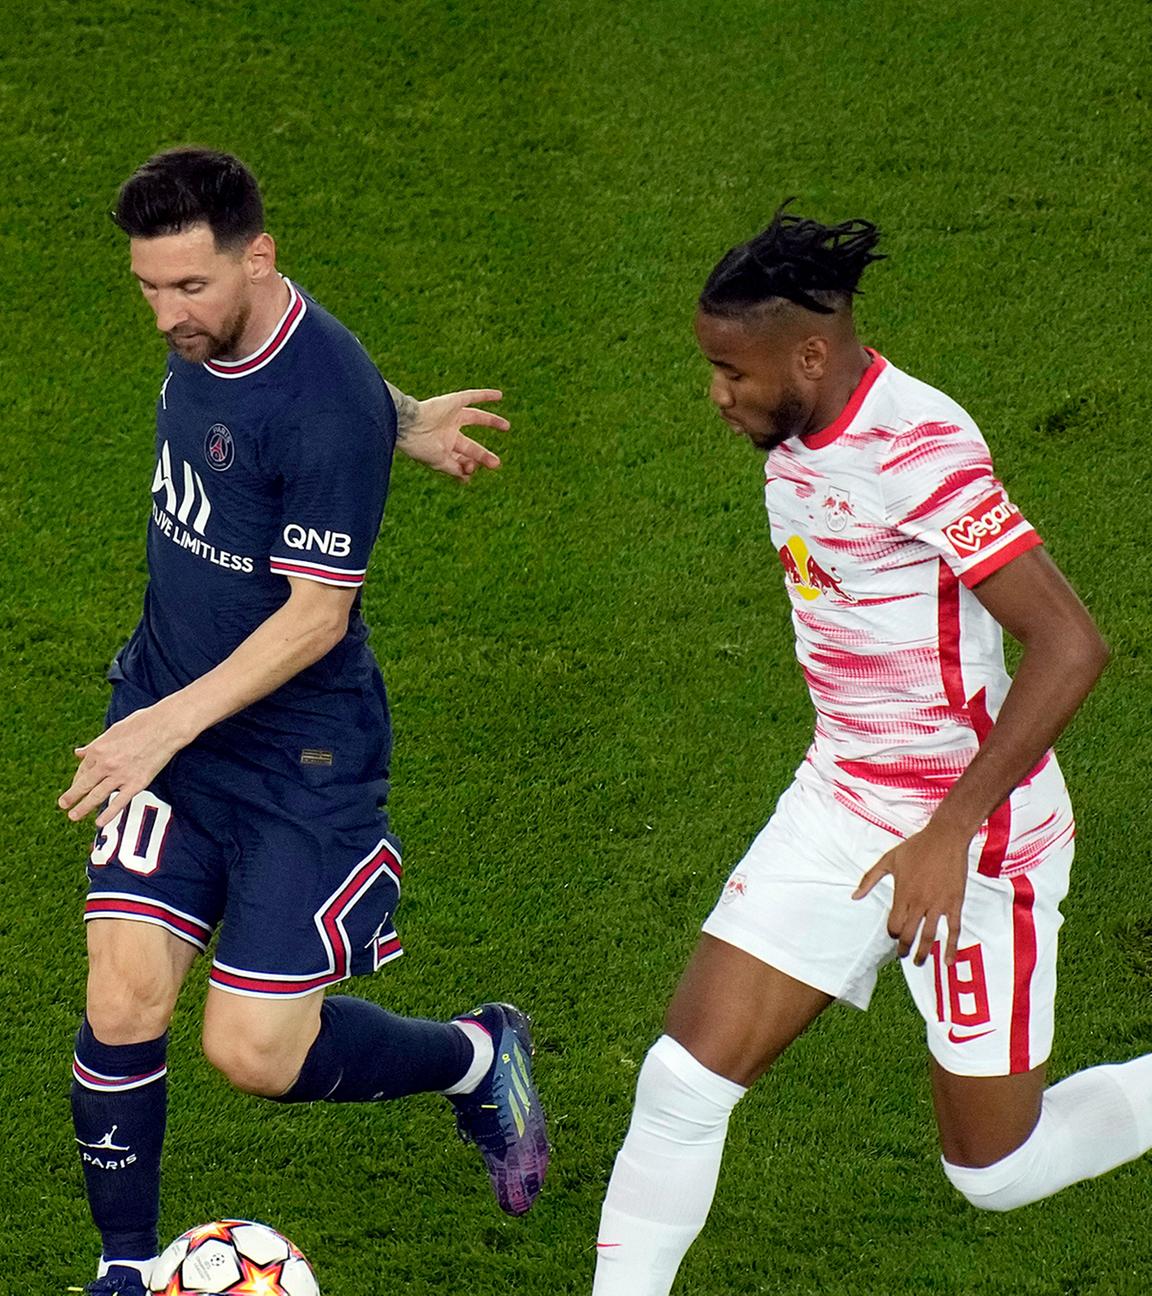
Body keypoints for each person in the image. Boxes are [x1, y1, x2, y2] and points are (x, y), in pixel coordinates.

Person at [591, 205, 1152, 1295]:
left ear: (810, 351)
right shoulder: (796, 430)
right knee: (680, 1084)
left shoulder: (920, 448)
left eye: (731, 371)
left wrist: (950, 831)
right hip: (842, 803)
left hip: (978, 841)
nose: (719, 395)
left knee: (997, 1171)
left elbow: (1071, 644)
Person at [61, 148, 548, 1296]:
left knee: (253, 1054)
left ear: (260, 257)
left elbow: (315, 620)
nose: (167, 315)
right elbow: (315, 401)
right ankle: (125, 1268)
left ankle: (477, 1057)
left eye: (190, 288)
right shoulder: (238, 350)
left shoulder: (319, 394)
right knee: (122, 993)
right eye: (148, 287)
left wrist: (153, 732)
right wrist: (408, 415)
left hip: (296, 757)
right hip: (173, 710)